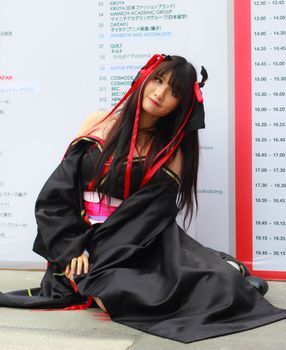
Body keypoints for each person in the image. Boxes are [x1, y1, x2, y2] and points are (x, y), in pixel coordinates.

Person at [0, 54, 286, 343]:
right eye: (158, 80)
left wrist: (98, 254)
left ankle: (225, 272)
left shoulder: (171, 151)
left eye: (174, 92)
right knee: (112, 293)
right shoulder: (98, 122)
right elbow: (59, 193)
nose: (160, 94)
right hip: (78, 242)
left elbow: (148, 217)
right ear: (146, 77)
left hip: (134, 243)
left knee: (210, 284)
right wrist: (70, 248)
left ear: (182, 104)